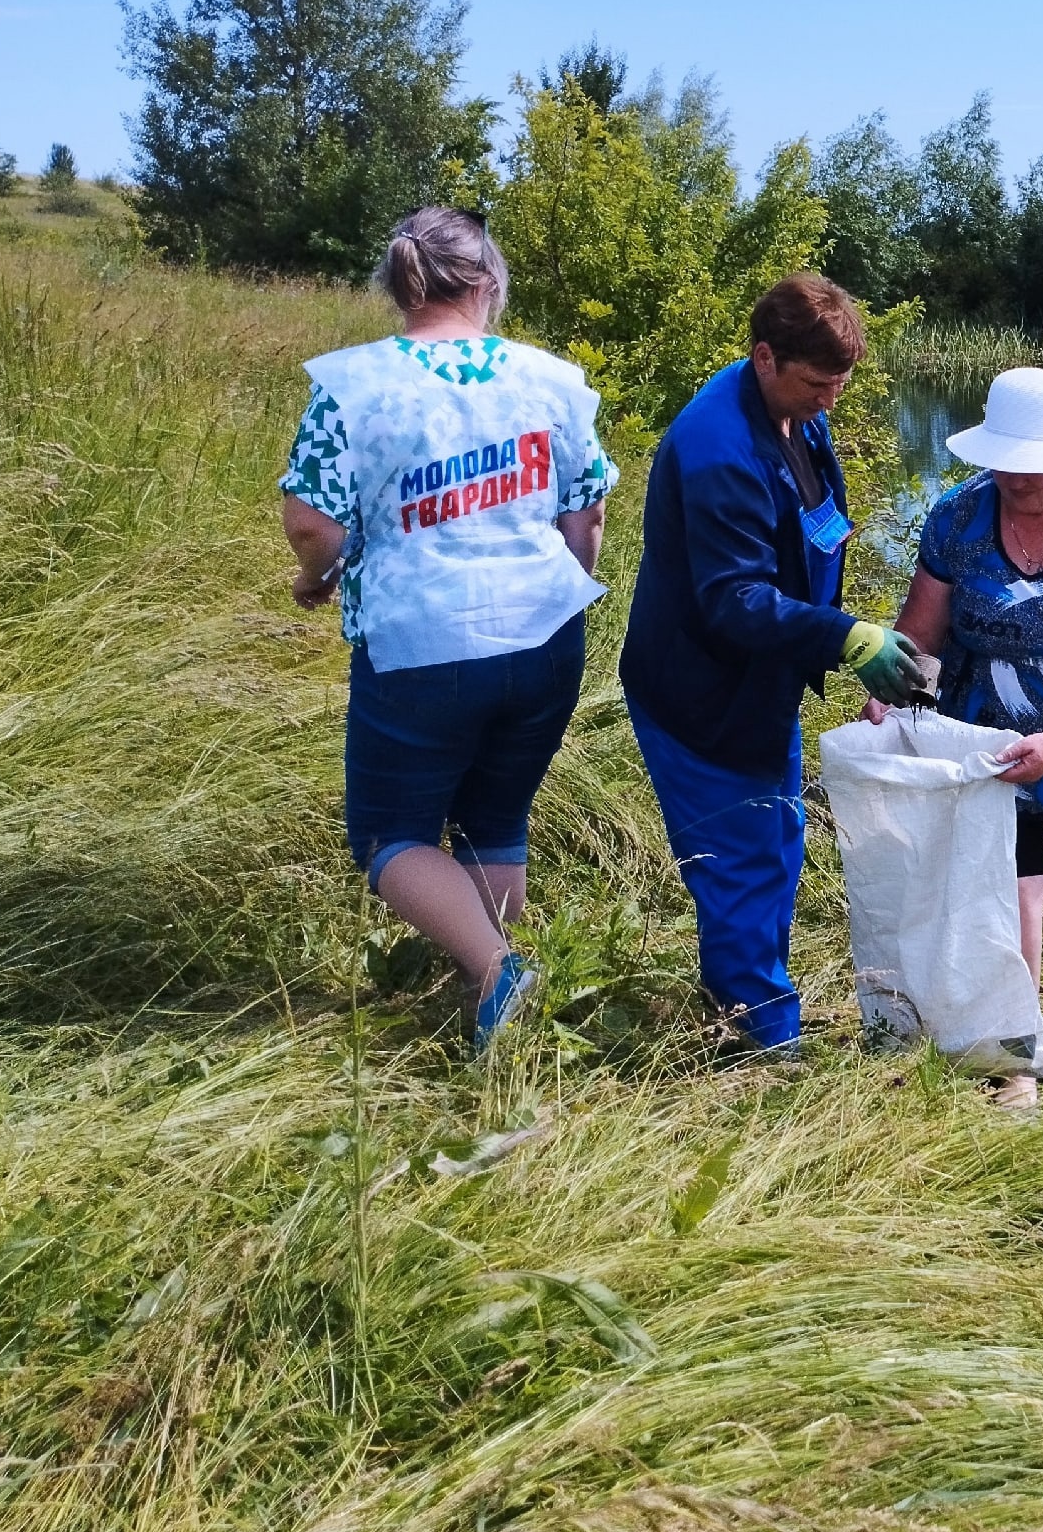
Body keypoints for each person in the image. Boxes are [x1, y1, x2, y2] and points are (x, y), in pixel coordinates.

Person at [280, 206, 616, 1047]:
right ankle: (495, 987)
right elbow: (590, 510)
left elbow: (313, 520)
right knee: (495, 816)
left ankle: (497, 972)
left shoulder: (355, 387)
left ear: (399, 285)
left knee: (389, 834)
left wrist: (317, 576)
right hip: (545, 635)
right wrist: (565, 580)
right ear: (488, 280)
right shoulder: (553, 380)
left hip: (419, 639)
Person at [618, 275, 928, 1052]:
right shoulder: (719, 448)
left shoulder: (792, 412)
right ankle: (765, 1056)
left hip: (762, 686)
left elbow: (813, 525)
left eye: (841, 385)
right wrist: (848, 637)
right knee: (741, 869)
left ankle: (743, 1010)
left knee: (777, 850)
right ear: (764, 357)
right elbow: (734, 600)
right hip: (702, 696)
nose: (831, 401)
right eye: (818, 384)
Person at [873, 367, 1043, 1069]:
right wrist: (891, 690)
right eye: (1004, 462)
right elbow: (921, 633)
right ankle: (1019, 1061)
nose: (1015, 478)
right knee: (1011, 905)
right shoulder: (957, 517)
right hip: (987, 748)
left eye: (1031, 465)